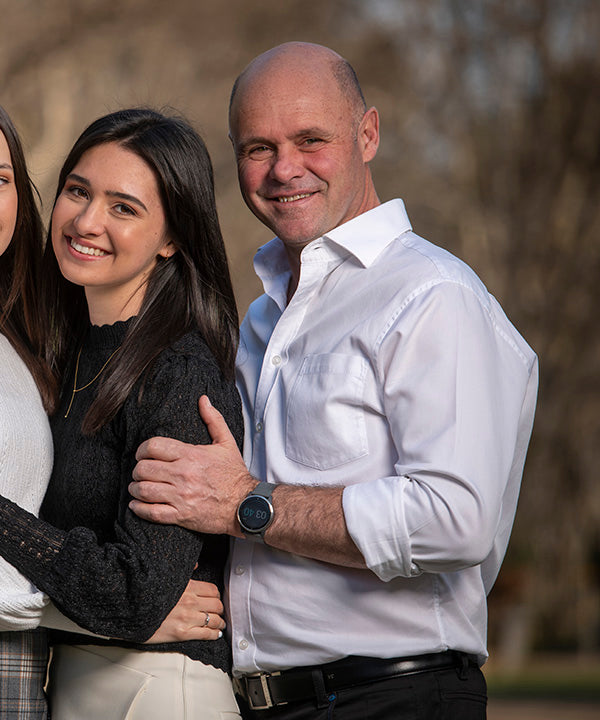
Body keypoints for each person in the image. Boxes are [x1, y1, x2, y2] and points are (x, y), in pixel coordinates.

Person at [127, 42, 540, 719]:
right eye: (257, 147)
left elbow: (457, 520)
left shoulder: (432, 295)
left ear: (367, 133)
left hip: (393, 697)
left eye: (310, 139)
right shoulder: (260, 320)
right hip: (260, 702)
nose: (284, 168)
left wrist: (249, 505)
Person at [0, 108, 244, 719]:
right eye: (78, 192)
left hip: (154, 692)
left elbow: (134, 597)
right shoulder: (59, 358)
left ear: (172, 238)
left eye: (124, 207)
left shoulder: (178, 374)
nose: (87, 220)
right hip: (71, 678)